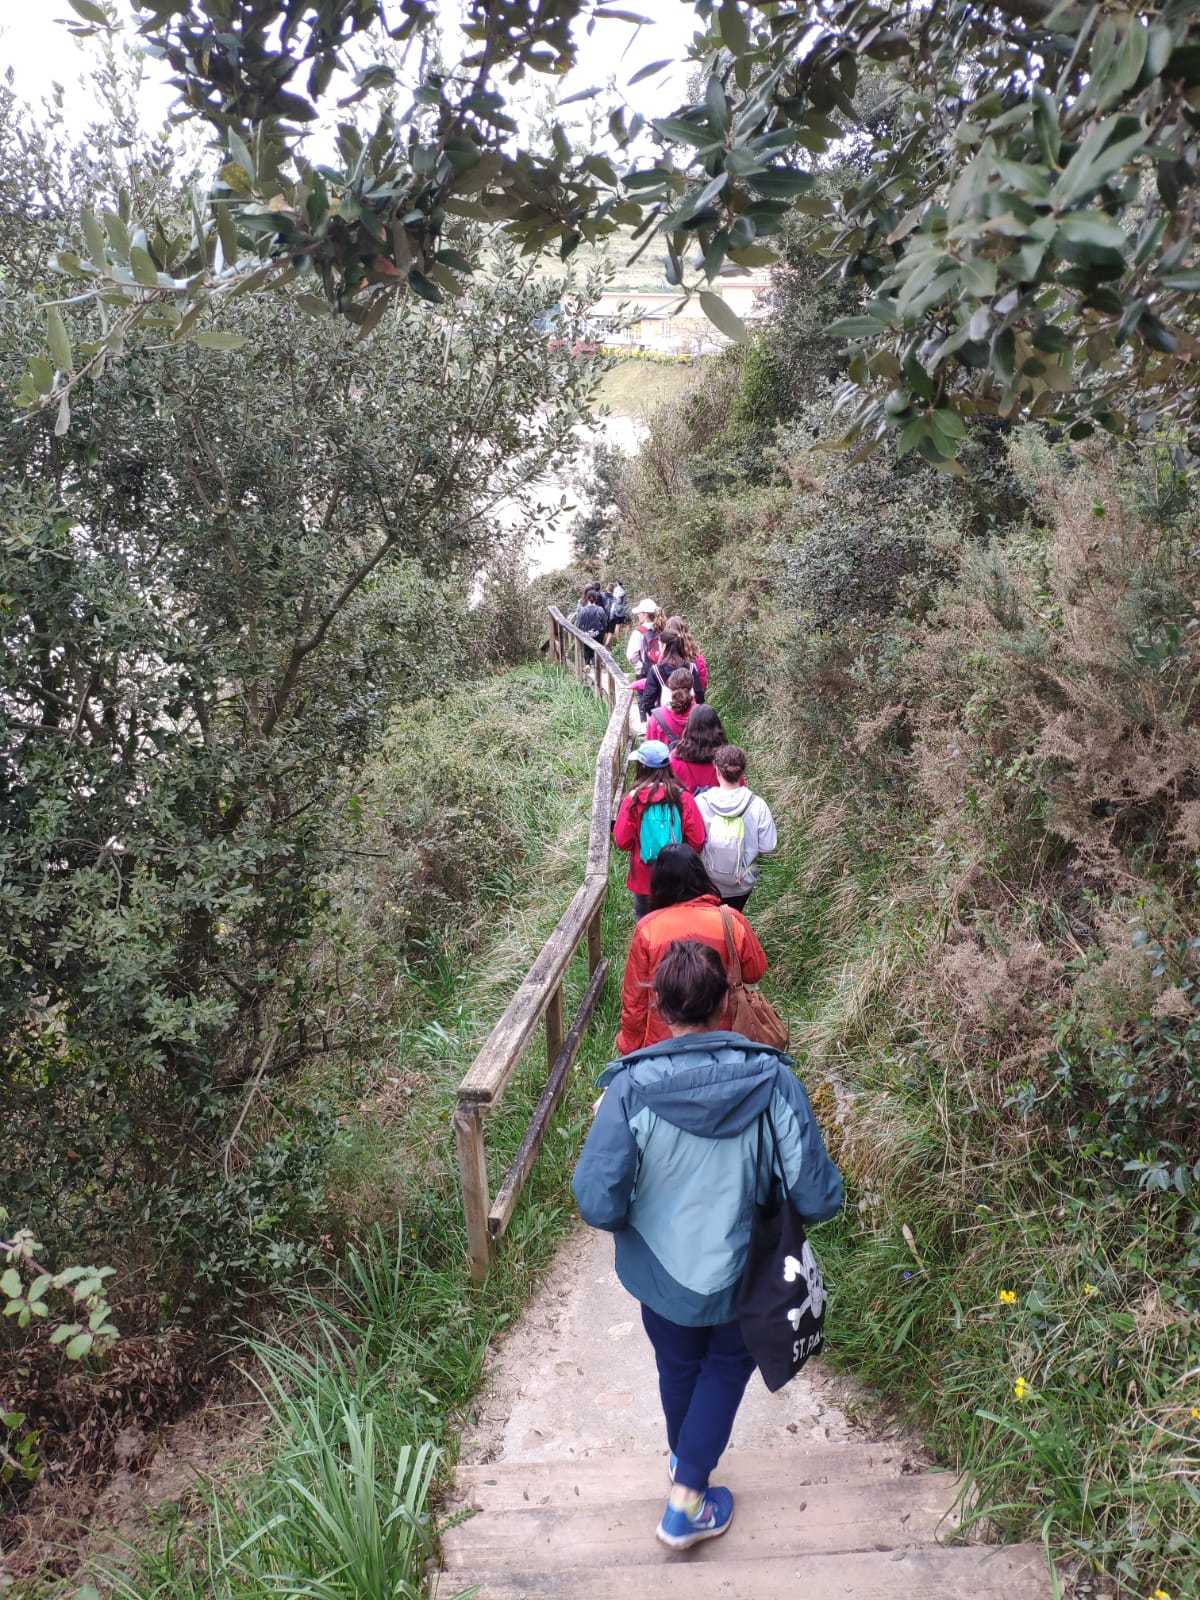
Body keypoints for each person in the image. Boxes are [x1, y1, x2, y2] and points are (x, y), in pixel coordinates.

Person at [573, 939, 843, 1550]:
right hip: (747, 1270)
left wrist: (636, 1218)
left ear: (660, 1008)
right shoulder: (773, 1081)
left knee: (678, 1365)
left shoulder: (630, 1090)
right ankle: (686, 1497)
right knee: (725, 1366)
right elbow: (817, 1194)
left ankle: (685, 1467)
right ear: (726, 1002)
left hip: (662, 1272)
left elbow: (597, 1200)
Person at [616, 844, 766, 1054]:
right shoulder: (731, 920)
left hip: (663, 1043)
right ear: (701, 876)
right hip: (724, 1036)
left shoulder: (648, 929)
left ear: (658, 883)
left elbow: (635, 999)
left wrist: (629, 1045)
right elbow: (754, 972)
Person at [612, 741, 706, 920]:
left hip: (644, 878)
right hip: (679, 876)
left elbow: (621, 841)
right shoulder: (683, 797)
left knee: (646, 922)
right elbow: (698, 839)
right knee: (677, 922)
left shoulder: (633, 800)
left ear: (642, 767)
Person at [696, 745, 778, 911]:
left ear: (716, 769)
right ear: (742, 772)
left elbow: (692, 841)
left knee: (711, 920)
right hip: (742, 884)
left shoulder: (701, 802)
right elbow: (768, 846)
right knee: (734, 918)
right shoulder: (757, 805)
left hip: (708, 882)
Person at [638, 629, 704, 724]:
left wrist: (657, 718)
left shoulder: (656, 670)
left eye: (659, 645)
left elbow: (647, 702)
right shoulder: (691, 668)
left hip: (665, 722)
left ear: (664, 646)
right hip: (690, 722)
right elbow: (700, 696)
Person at [670, 704, 727, 793]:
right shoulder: (726, 760)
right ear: (718, 728)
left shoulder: (674, 760)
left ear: (688, 728)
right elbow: (739, 792)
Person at [645, 667, 696, 748]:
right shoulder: (703, 715)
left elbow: (649, 750)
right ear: (692, 688)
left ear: (669, 688)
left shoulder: (657, 717)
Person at [664, 615, 709, 695]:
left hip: (672, 699)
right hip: (692, 698)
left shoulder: (665, 659)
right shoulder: (696, 655)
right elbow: (703, 682)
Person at [625, 597, 662, 670]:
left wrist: (641, 669)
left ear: (645, 615)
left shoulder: (638, 632)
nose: (638, 615)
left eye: (639, 613)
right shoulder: (661, 629)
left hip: (645, 672)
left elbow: (631, 656)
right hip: (660, 671)